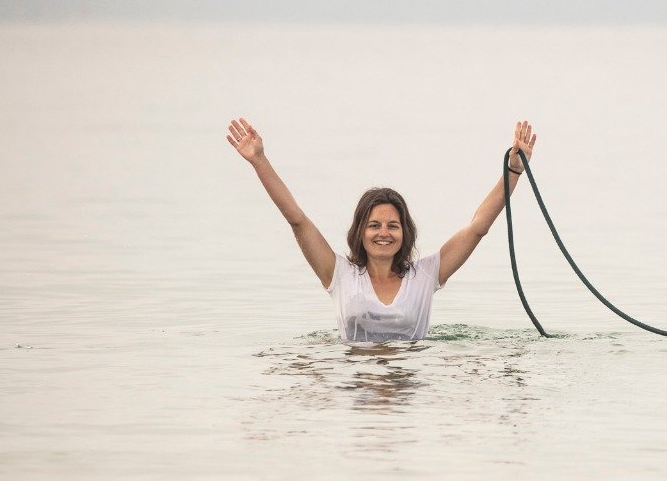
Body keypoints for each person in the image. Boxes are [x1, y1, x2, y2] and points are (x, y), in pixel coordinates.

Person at [226, 117, 537, 342]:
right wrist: (259, 161)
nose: (383, 233)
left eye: (393, 226)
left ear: (405, 233)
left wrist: (513, 171)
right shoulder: (339, 274)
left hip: (411, 382)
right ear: (360, 232)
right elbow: (298, 220)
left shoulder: (426, 275)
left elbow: (476, 228)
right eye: (374, 225)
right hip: (354, 382)